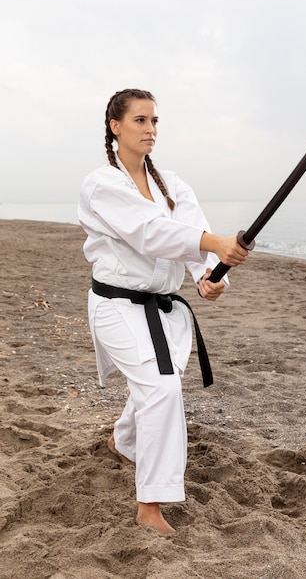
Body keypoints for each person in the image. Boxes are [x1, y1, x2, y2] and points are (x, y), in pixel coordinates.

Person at [78, 89, 249, 535]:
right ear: (115, 127)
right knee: (160, 389)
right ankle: (150, 505)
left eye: (154, 121)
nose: (150, 129)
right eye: (140, 120)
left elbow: (195, 237)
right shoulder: (101, 184)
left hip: (166, 312)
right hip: (116, 305)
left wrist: (212, 276)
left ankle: (124, 440)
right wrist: (216, 244)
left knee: (157, 385)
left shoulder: (172, 183)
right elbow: (151, 234)